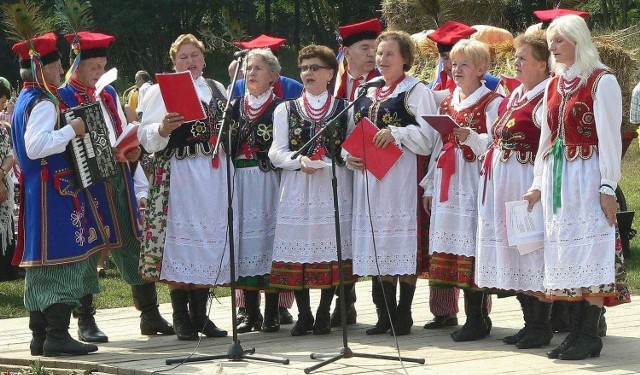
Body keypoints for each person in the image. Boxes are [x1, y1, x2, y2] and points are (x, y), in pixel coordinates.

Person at [523, 14, 630, 360]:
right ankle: (575, 334)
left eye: (559, 41)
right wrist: (538, 183)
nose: (552, 47)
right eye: (551, 41)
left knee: (592, 251)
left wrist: (607, 186)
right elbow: (545, 137)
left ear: (577, 41)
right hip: (559, 180)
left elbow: (610, 139)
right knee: (568, 252)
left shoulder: (602, 80)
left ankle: (589, 334)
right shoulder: (555, 83)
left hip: (587, 175)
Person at [57, 31, 173, 343]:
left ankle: (149, 314)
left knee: (132, 240)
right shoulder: (63, 98)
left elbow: (122, 132)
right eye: (94, 66)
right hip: (86, 184)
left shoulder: (107, 95)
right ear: (77, 64)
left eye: (102, 65)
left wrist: (132, 150)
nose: (99, 72)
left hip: (119, 178)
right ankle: (85, 319)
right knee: (89, 249)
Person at [10, 32, 103, 356]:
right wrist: (72, 130)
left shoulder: (23, 99)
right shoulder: (43, 102)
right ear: (43, 69)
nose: (63, 66)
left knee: (40, 264)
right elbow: (36, 147)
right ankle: (58, 335)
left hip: (39, 190)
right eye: (58, 62)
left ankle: (40, 336)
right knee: (62, 262)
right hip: (55, 192)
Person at [138, 33, 232, 341]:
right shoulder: (159, 92)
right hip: (179, 174)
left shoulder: (217, 88)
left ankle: (201, 316)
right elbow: (145, 135)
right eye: (183, 57)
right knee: (181, 242)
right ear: (173, 62)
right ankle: (181, 317)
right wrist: (163, 128)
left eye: (195, 56)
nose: (190, 61)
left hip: (212, 176)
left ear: (203, 59)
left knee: (206, 241)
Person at [348, 30, 437, 336]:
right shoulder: (368, 91)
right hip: (369, 180)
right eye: (378, 53)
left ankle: (403, 314)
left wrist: (397, 133)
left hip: (401, 177)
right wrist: (350, 158)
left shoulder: (416, 92)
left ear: (405, 59)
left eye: (389, 54)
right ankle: (384, 314)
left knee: (400, 243)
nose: (381, 59)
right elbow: (353, 135)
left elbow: (428, 139)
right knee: (379, 244)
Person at [268, 44, 355, 336]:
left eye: (315, 67)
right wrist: (298, 160)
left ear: (331, 73)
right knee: (300, 251)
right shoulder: (285, 109)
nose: (308, 73)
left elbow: (349, 149)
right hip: (298, 188)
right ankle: (303, 314)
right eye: (304, 68)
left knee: (331, 248)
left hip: (332, 187)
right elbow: (276, 153)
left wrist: (344, 157)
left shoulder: (344, 108)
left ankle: (323, 313)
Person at [474, 30, 552, 349]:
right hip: (503, 186)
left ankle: (541, 326)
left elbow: (548, 147)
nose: (515, 63)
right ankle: (529, 324)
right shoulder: (515, 95)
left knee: (531, 252)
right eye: (515, 57)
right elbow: (496, 141)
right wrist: (470, 138)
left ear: (543, 65)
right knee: (515, 253)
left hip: (527, 185)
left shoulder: (548, 96)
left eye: (523, 58)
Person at [421, 39, 502, 342]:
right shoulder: (447, 102)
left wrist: (471, 137)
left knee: (472, 246)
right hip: (447, 183)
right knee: (453, 249)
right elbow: (437, 148)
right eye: (454, 64)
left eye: (464, 64)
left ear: (481, 69)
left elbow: (497, 144)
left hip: (473, 181)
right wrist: (429, 186)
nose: (456, 69)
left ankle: (478, 319)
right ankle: (459, 314)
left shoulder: (492, 101)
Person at [230, 34, 299, 326]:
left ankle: (272, 311)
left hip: (269, 180)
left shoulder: (282, 108)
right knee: (244, 244)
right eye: (248, 68)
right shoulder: (232, 106)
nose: (251, 73)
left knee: (270, 241)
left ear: (273, 75)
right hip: (240, 182)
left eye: (258, 68)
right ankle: (249, 311)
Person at [330, 17, 382, 328]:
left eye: (375, 49)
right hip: (336, 169)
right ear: (346, 53)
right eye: (365, 48)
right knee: (340, 233)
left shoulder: (383, 81)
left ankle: (382, 309)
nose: (372, 54)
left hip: (370, 171)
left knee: (369, 233)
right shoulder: (334, 81)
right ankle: (344, 302)